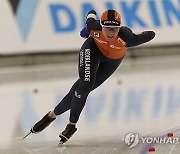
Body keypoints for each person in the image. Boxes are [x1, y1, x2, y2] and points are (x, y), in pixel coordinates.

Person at [29, 9, 155, 144]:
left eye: (115, 29)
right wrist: (89, 23)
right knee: (85, 85)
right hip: (92, 50)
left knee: (80, 91)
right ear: (101, 25)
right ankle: (71, 125)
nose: (111, 32)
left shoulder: (128, 37)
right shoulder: (93, 27)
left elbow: (151, 35)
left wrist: (140, 35)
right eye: (107, 28)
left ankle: (51, 115)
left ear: (120, 28)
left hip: (113, 60)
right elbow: (90, 15)